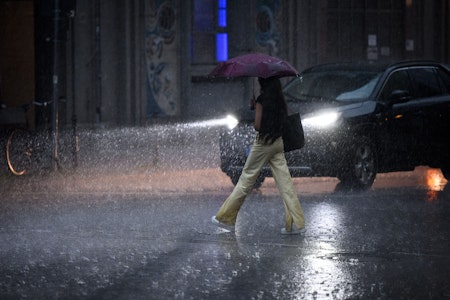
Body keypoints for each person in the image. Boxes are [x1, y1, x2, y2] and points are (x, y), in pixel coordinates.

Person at [211, 77, 305, 235]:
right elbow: (280, 119)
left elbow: (257, 126)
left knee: (246, 180)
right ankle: (296, 223)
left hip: (263, 144)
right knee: (285, 184)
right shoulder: (280, 100)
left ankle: (226, 218)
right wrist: (258, 107)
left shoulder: (262, 100)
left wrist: (257, 107)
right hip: (277, 143)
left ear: (263, 83)